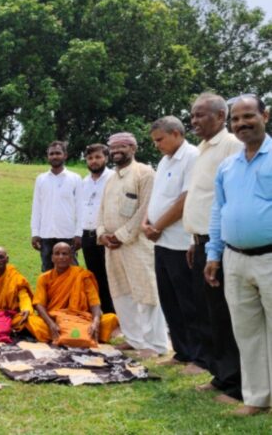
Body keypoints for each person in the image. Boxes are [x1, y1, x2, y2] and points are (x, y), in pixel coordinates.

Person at [205, 94, 272, 416]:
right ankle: (257, 399)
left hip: (269, 257)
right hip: (234, 259)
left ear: (265, 116)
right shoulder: (228, 166)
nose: (242, 124)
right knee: (247, 333)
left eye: (248, 116)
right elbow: (219, 210)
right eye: (236, 119)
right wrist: (213, 254)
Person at [183, 93, 243, 403]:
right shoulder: (203, 149)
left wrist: (214, 248)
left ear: (221, 116)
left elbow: (229, 199)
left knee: (225, 314)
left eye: (200, 115)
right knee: (210, 313)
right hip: (201, 242)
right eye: (192, 115)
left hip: (218, 245)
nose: (193, 120)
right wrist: (193, 240)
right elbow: (201, 197)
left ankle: (236, 382)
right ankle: (220, 374)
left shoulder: (231, 145)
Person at [97, 132, 168, 358]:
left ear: (133, 148)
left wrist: (120, 235)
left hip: (136, 244)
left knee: (145, 291)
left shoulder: (145, 173)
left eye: (122, 147)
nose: (116, 151)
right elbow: (101, 210)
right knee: (121, 292)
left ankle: (155, 344)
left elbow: (146, 209)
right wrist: (102, 234)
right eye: (113, 148)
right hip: (112, 247)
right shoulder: (111, 179)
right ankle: (134, 339)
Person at [141, 116, 202, 371]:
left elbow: (185, 200)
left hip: (180, 242)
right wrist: (146, 222)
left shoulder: (192, 156)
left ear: (176, 133)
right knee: (169, 298)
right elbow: (156, 198)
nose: (157, 145)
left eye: (160, 139)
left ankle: (199, 356)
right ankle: (181, 351)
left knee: (188, 301)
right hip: (161, 242)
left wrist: (157, 226)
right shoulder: (165, 160)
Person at [27, 242, 119, 343]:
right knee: (32, 321)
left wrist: (95, 323)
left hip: (81, 318)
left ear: (71, 258)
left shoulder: (83, 275)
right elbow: (39, 304)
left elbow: (94, 302)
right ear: (52, 258)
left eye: (64, 254)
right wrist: (51, 324)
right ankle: (79, 334)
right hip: (55, 319)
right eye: (57, 254)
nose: (61, 257)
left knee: (111, 318)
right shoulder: (44, 278)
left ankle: (67, 334)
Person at [30, 141, 82, 272]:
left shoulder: (75, 178)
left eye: (58, 153)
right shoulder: (41, 179)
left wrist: (78, 234)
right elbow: (37, 207)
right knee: (47, 271)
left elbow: (81, 209)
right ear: (47, 156)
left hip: (68, 234)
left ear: (65, 155)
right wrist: (35, 233)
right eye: (51, 154)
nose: (54, 156)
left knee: (71, 272)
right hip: (46, 234)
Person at [80, 143, 115, 313]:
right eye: (90, 158)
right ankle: (102, 314)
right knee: (95, 276)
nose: (94, 161)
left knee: (112, 276)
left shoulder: (113, 178)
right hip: (87, 235)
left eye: (98, 157)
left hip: (107, 234)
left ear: (106, 158)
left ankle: (116, 315)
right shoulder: (84, 182)